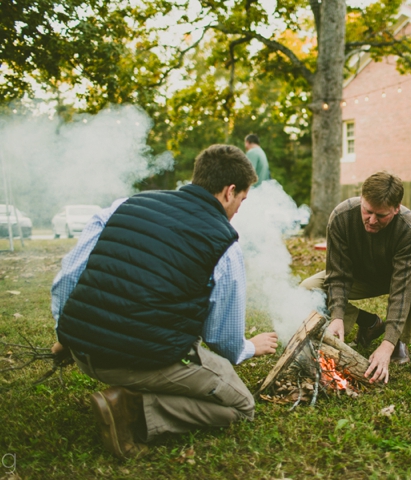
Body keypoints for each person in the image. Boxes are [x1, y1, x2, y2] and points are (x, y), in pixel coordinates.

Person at [51, 144, 279, 458]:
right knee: (241, 406)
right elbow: (221, 340)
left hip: (83, 352)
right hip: (132, 360)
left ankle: (131, 395)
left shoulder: (126, 204)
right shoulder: (224, 242)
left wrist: (65, 337)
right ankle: (132, 409)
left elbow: (68, 277)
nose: (239, 207)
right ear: (230, 192)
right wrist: (250, 346)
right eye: (242, 199)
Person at [300, 172, 411, 384]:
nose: (372, 220)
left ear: (396, 209)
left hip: (397, 276)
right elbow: (337, 274)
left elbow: (401, 290)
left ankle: (399, 340)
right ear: (361, 199)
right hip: (358, 275)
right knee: (307, 288)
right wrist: (337, 315)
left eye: (381, 216)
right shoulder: (341, 216)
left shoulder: (409, 228)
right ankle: (369, 323)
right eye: (367, 211)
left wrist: (388, 344)